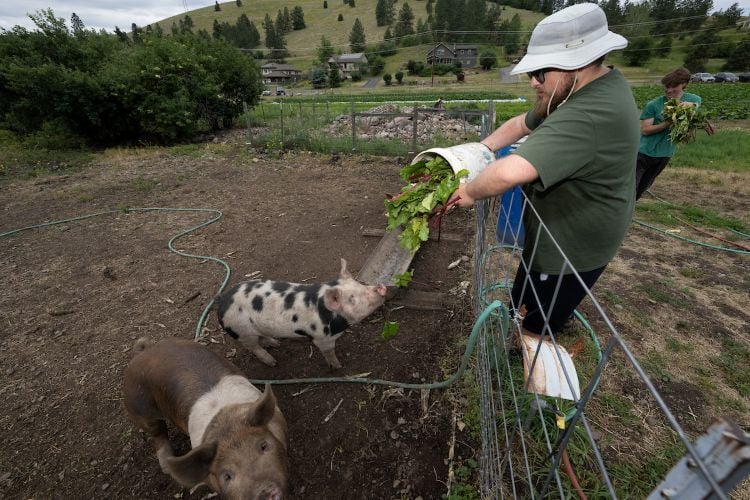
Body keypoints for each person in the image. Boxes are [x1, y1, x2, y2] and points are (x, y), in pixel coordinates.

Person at [450, 3, 639, 338]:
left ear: (575, 66)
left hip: (573, 247)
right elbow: (520, 124)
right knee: (523, 296)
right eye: (531, 74)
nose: (533, 83)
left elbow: (509, 173)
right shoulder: (581, 90)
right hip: (562, 226)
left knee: (537, 322)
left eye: (540, 74)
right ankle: (519, 324)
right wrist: (481, 150)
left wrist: (467, 192)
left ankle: (528, 366)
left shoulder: (587, 114)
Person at [635, 68, 701, 199]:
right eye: (667, 86)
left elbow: (695, 105)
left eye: (674, 86)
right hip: (643, 153)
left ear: (684, 84)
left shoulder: (693, 99)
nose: (669, 90)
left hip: (665, 154)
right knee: (631, 188)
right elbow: (645, 130)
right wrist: (668, 123)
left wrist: (689, 111)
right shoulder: (654, 104)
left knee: (642, 189)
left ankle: (628, 213)